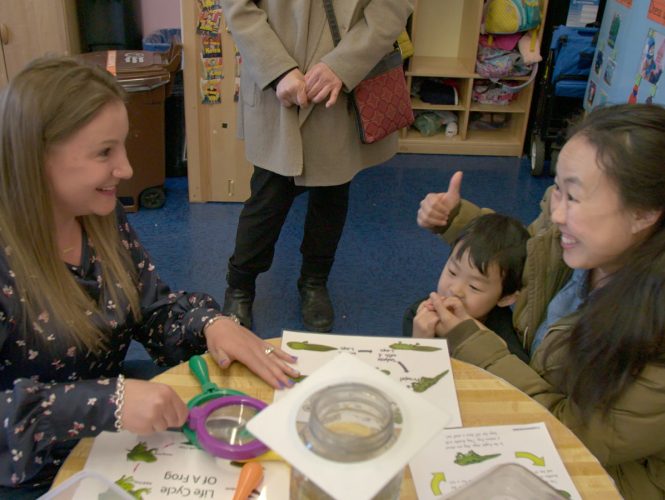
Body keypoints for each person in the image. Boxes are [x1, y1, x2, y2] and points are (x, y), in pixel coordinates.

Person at [0, 56, 299, 494]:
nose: (126, 169)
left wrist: (209, 324)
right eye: (105, 152)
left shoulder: (98, 215)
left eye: (123, 145)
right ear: (36, 157)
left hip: (107, 439)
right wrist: (108, 403)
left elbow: (150, 308)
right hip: (33, 474)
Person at [416, 104, 665, 499]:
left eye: (575, 197)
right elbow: (531, 257)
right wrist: (459, 223)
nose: (557, 212)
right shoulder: (590, 244)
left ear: (643, 214)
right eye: (557, 191)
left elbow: (569, 434)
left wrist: (471, 342)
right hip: (545, 396)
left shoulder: (656, 334)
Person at [218, 0, 414, 332]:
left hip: (342, 84)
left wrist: (344, 64)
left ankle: (314, 281)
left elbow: (392, 6)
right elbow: (237, 5)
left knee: (332, 194)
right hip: (276, 85)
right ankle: (240, 285)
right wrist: (277, 68)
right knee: (267, 198)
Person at [405, 213, 530, 363]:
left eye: (474, 286)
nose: (456, 290)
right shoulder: (418, 315)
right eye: (452, 272)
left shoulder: (504, 331)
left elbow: (516, 374)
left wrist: (478, 338)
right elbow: (413, 374)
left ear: (506, 298)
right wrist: (421, 341)